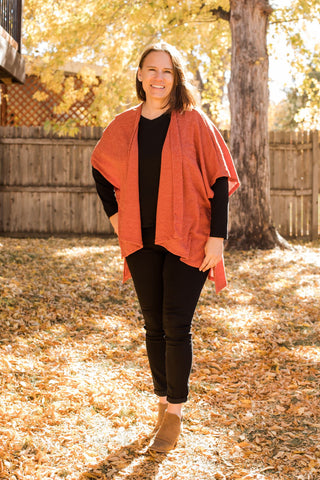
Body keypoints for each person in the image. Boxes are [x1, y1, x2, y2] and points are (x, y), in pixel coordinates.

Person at [91, 42, 239, 453]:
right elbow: (99, 166)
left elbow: (220, 179)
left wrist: (218, 237)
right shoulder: (125, 124)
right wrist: (115, 216)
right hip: (141, 239)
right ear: (140, 75)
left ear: (176, 79)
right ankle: (161, 403)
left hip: (189, 235)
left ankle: (174, 412)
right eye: (151, 70)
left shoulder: (193, 121)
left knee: (176, 325)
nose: (158, 78)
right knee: (153, 324)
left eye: (167, 72)